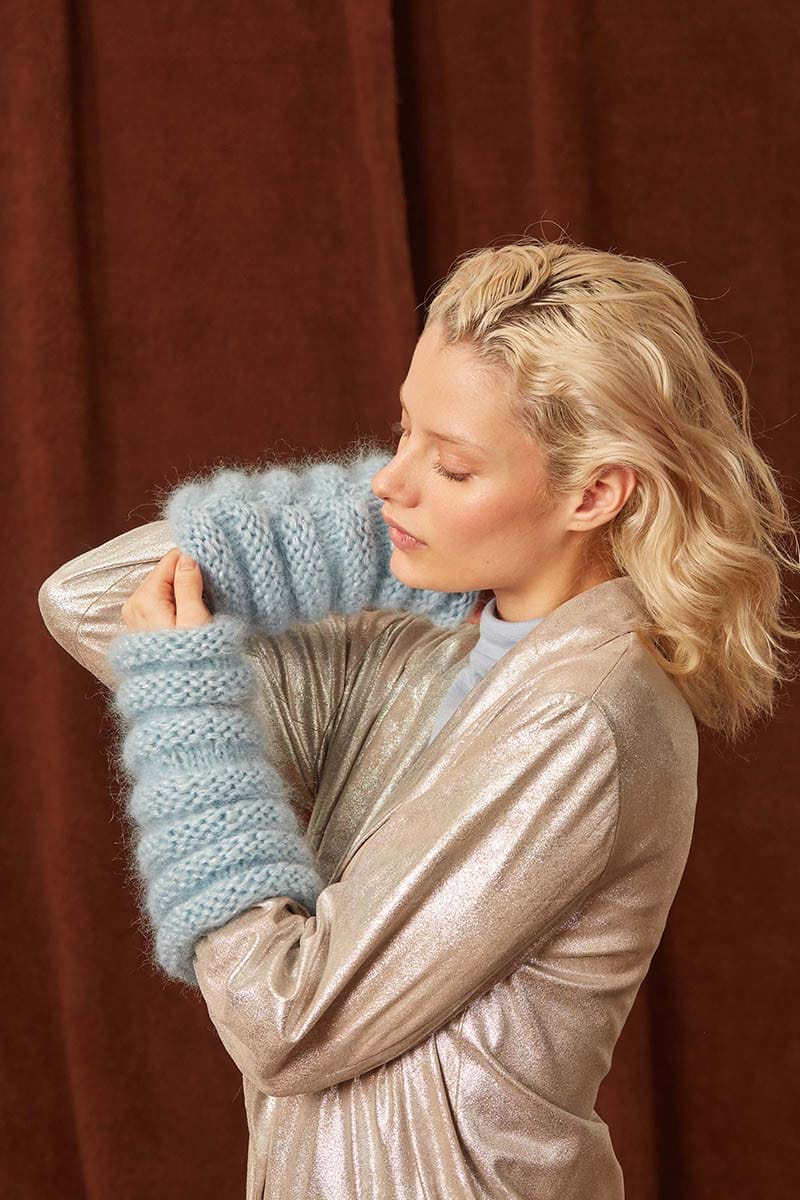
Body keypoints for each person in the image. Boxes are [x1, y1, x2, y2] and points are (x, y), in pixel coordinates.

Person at [38, 236, 800, 1199]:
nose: (387, 480)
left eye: (456, 466)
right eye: (403, 432)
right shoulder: (418, 653)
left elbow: (290, 1020)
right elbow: (91, 599)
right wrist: (389, 530)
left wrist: (190, 713)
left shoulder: (584, 717)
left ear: (595, 493)